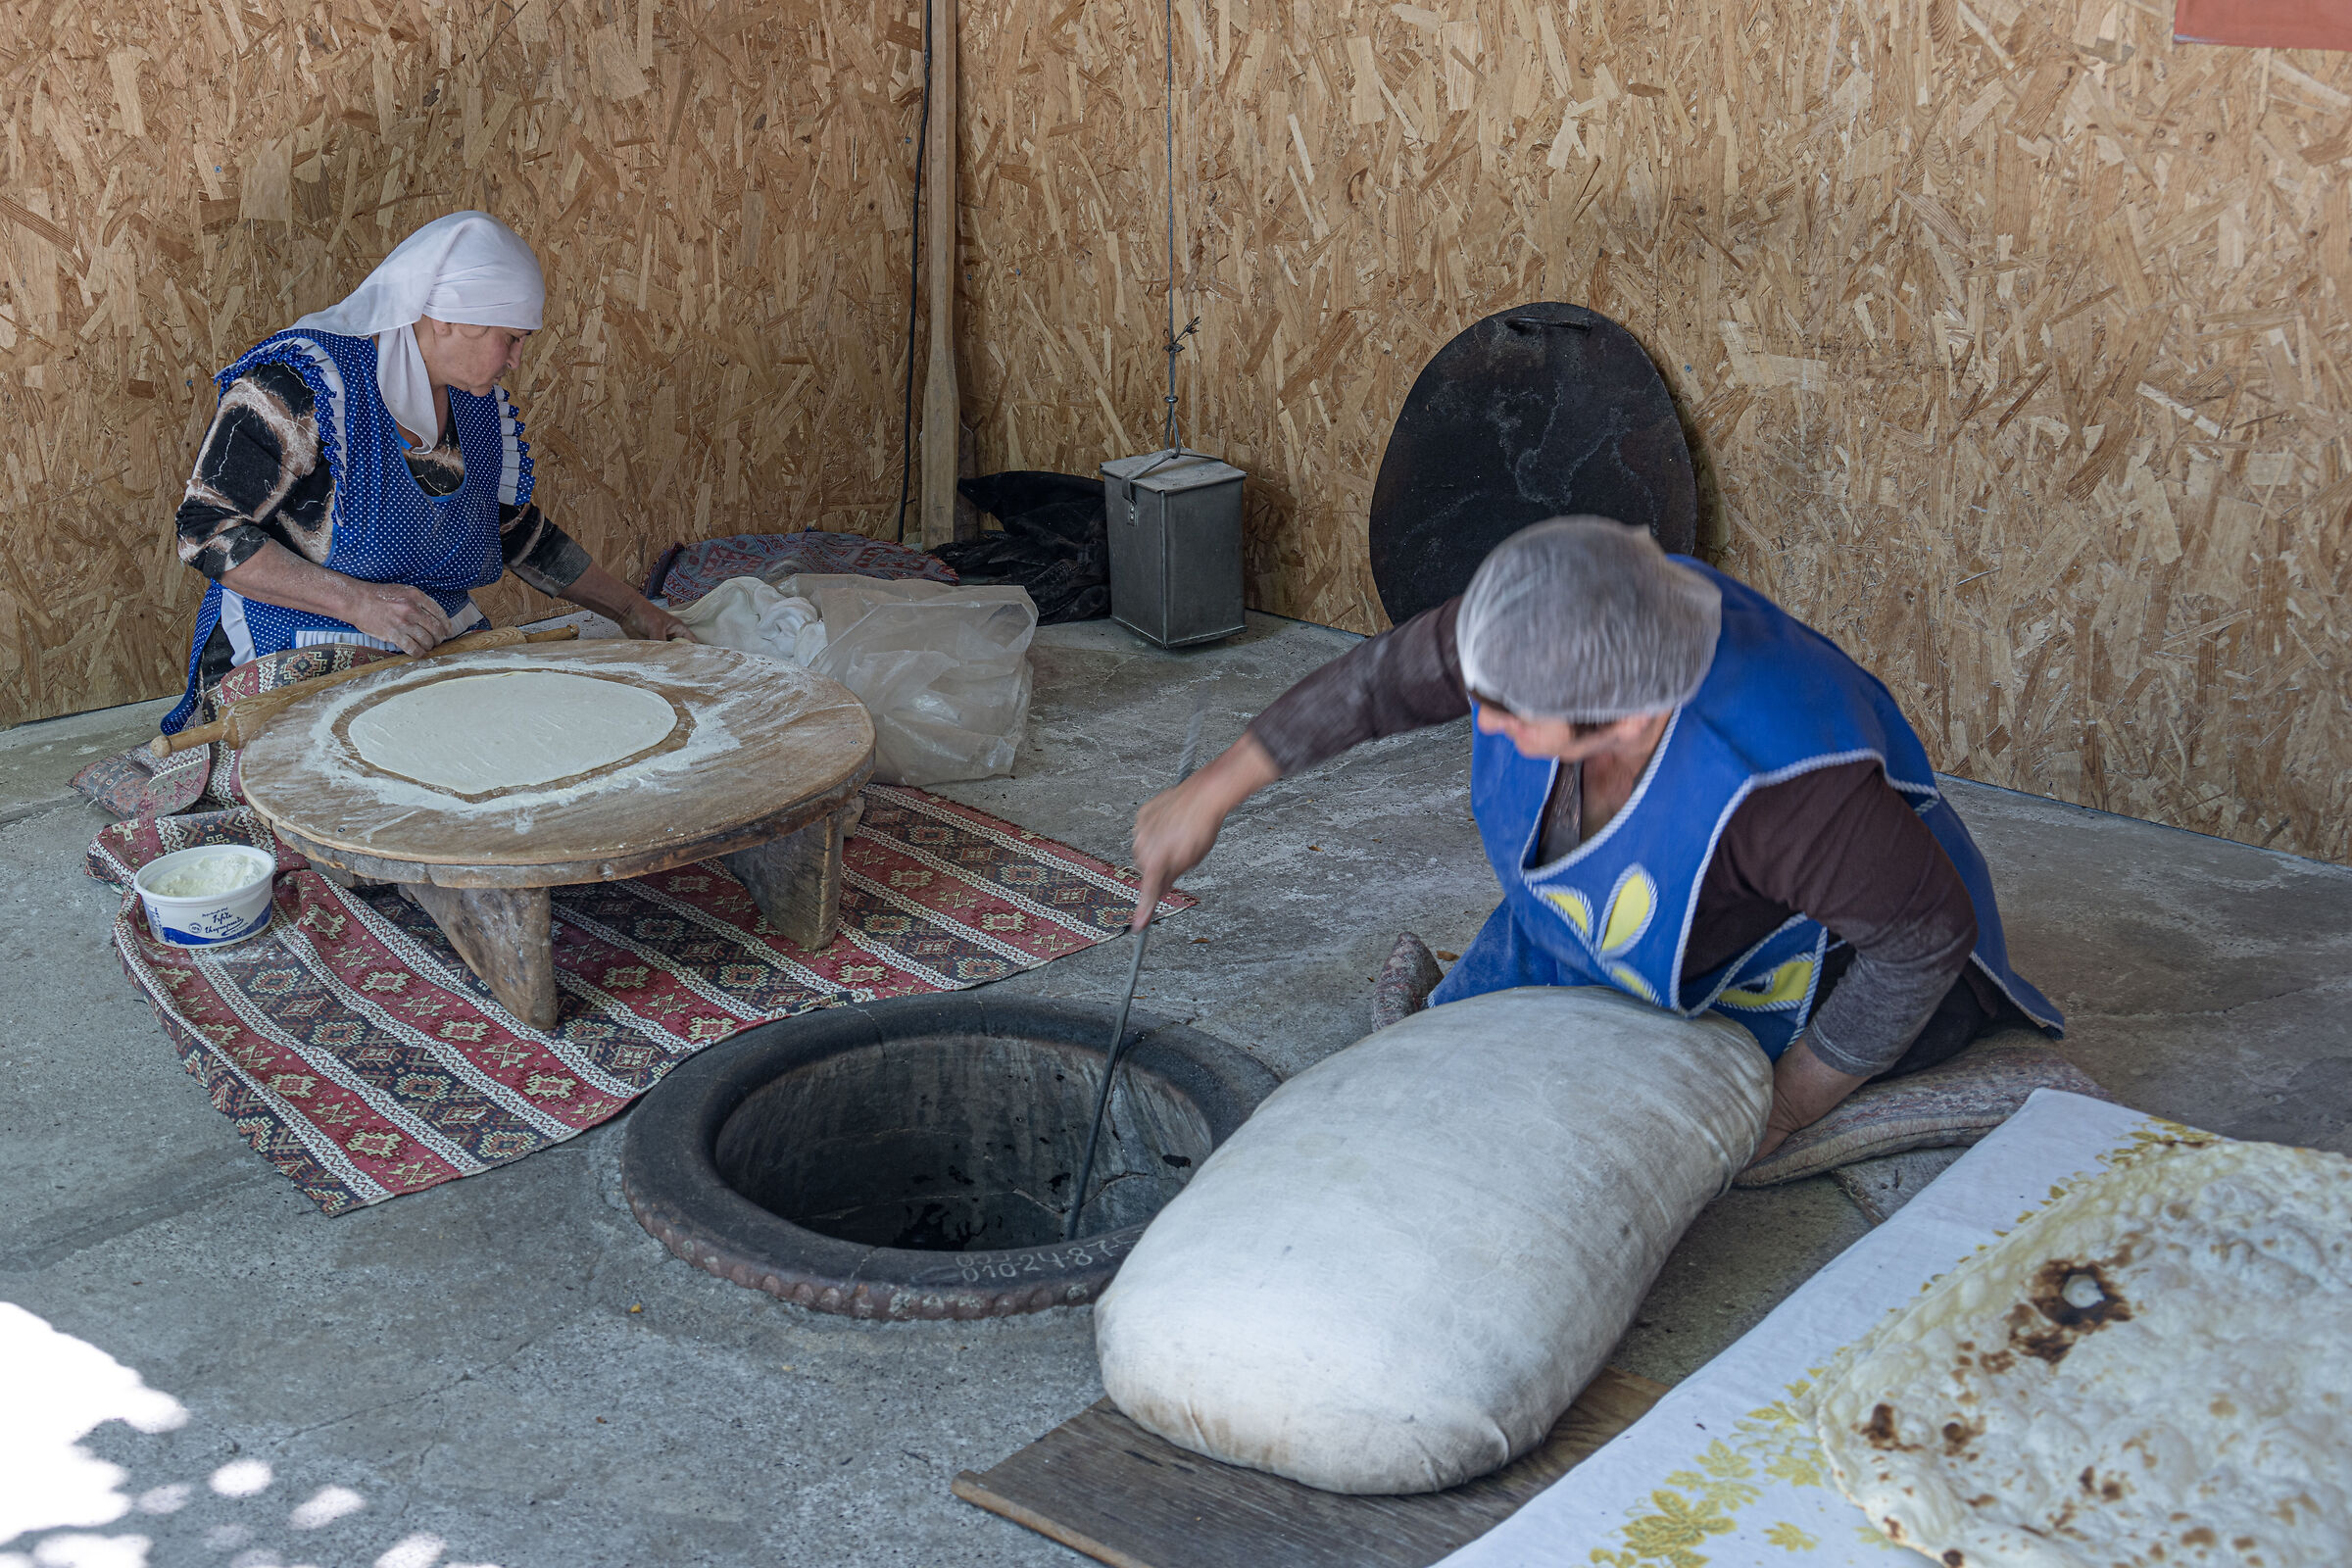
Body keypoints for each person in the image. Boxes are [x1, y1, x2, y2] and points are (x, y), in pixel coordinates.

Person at [1129, 516, 2061, 1162]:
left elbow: (1924, 939)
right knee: (1432, 1087)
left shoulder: (1786, 790)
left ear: (1632, 722)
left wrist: (1781, 1111)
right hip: (1590, 924)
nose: (1480, 718)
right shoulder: (1552, 621)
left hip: (1811, 960)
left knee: (1592, 1141)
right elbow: (1384, 681)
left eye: (1514, 716)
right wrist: (1210, 793)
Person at [161, 211, 688, 735]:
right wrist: (360, 603)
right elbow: (206, 530)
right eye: (512, 338)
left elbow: (514, 530)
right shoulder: (303, 386)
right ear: (450, 320)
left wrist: (632, 610)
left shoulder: (478, 408)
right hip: (293, 653)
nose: (518, 361)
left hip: (427, 648)